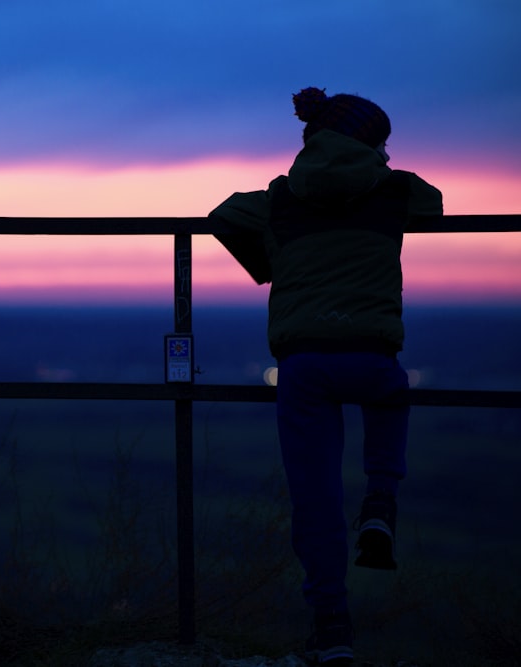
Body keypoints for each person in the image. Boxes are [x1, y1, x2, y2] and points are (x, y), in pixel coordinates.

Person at [208, 87, 442, 665]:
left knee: (314, 496)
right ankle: (380, 504)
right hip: (372, 354)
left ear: (311, 139)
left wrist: (270, 258)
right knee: (390, 398)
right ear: (372, 144)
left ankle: (331, 625)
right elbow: (434, 203)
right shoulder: (395, 189)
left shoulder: (281, 198)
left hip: (304, 363)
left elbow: (222, 216)